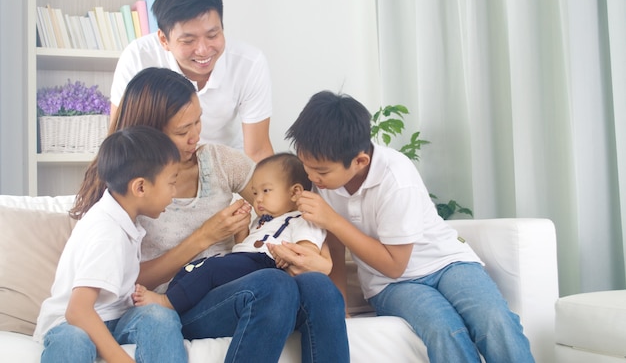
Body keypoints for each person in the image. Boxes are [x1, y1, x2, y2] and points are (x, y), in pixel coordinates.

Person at [72, 68, 349, 363]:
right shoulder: (131, 190)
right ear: (149, 135)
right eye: (182, 131)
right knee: (273, 285)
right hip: (176, 302)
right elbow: (122, 282)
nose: (196, 136)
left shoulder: (219, 161)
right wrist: (205, 236)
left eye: (198, 121)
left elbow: (290, 194)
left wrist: (315, 254)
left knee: (318, 287)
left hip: (241, 285)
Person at [284, 90, 536, 363]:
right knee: (444, 329)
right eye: (306, 167)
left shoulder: (397, 178)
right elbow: (334, 248)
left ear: (360, 161)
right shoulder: (322, 183)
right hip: (389, 285)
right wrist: (340, 305)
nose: (312, 177)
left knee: (495, 319)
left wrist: (333, 219)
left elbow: (395, 263)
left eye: (320, 172)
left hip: (446, 262)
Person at [34, 126, 186, 363]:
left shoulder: (124, 220)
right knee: (73, 340)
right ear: (141, 187)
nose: (174, 193)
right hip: (70, 323)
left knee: (159, 316)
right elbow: (78, 311)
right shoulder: (107, 232)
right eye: (171, 182)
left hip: (115, 317)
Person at [133, 152, 326, 314]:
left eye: (266, 191)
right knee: (192, 269)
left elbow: (306, 255)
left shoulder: (302, 219)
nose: (258, 199)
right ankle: (181, 301)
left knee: (211, 268)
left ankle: (168, 302)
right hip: (248, 262)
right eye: (255, 192)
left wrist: (290, 258)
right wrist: (242, 231)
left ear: (295, 193)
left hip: (266, 264)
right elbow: (242, 250)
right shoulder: (263, 220)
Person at [110, 0, 274, 162]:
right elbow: (120, 138)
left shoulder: (249, 63)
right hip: (157, 165)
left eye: (213, 35)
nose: (203, 50)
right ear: (164, 40)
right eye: (188, 41)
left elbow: (258, 150)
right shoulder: (138, 57)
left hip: (223, 165)